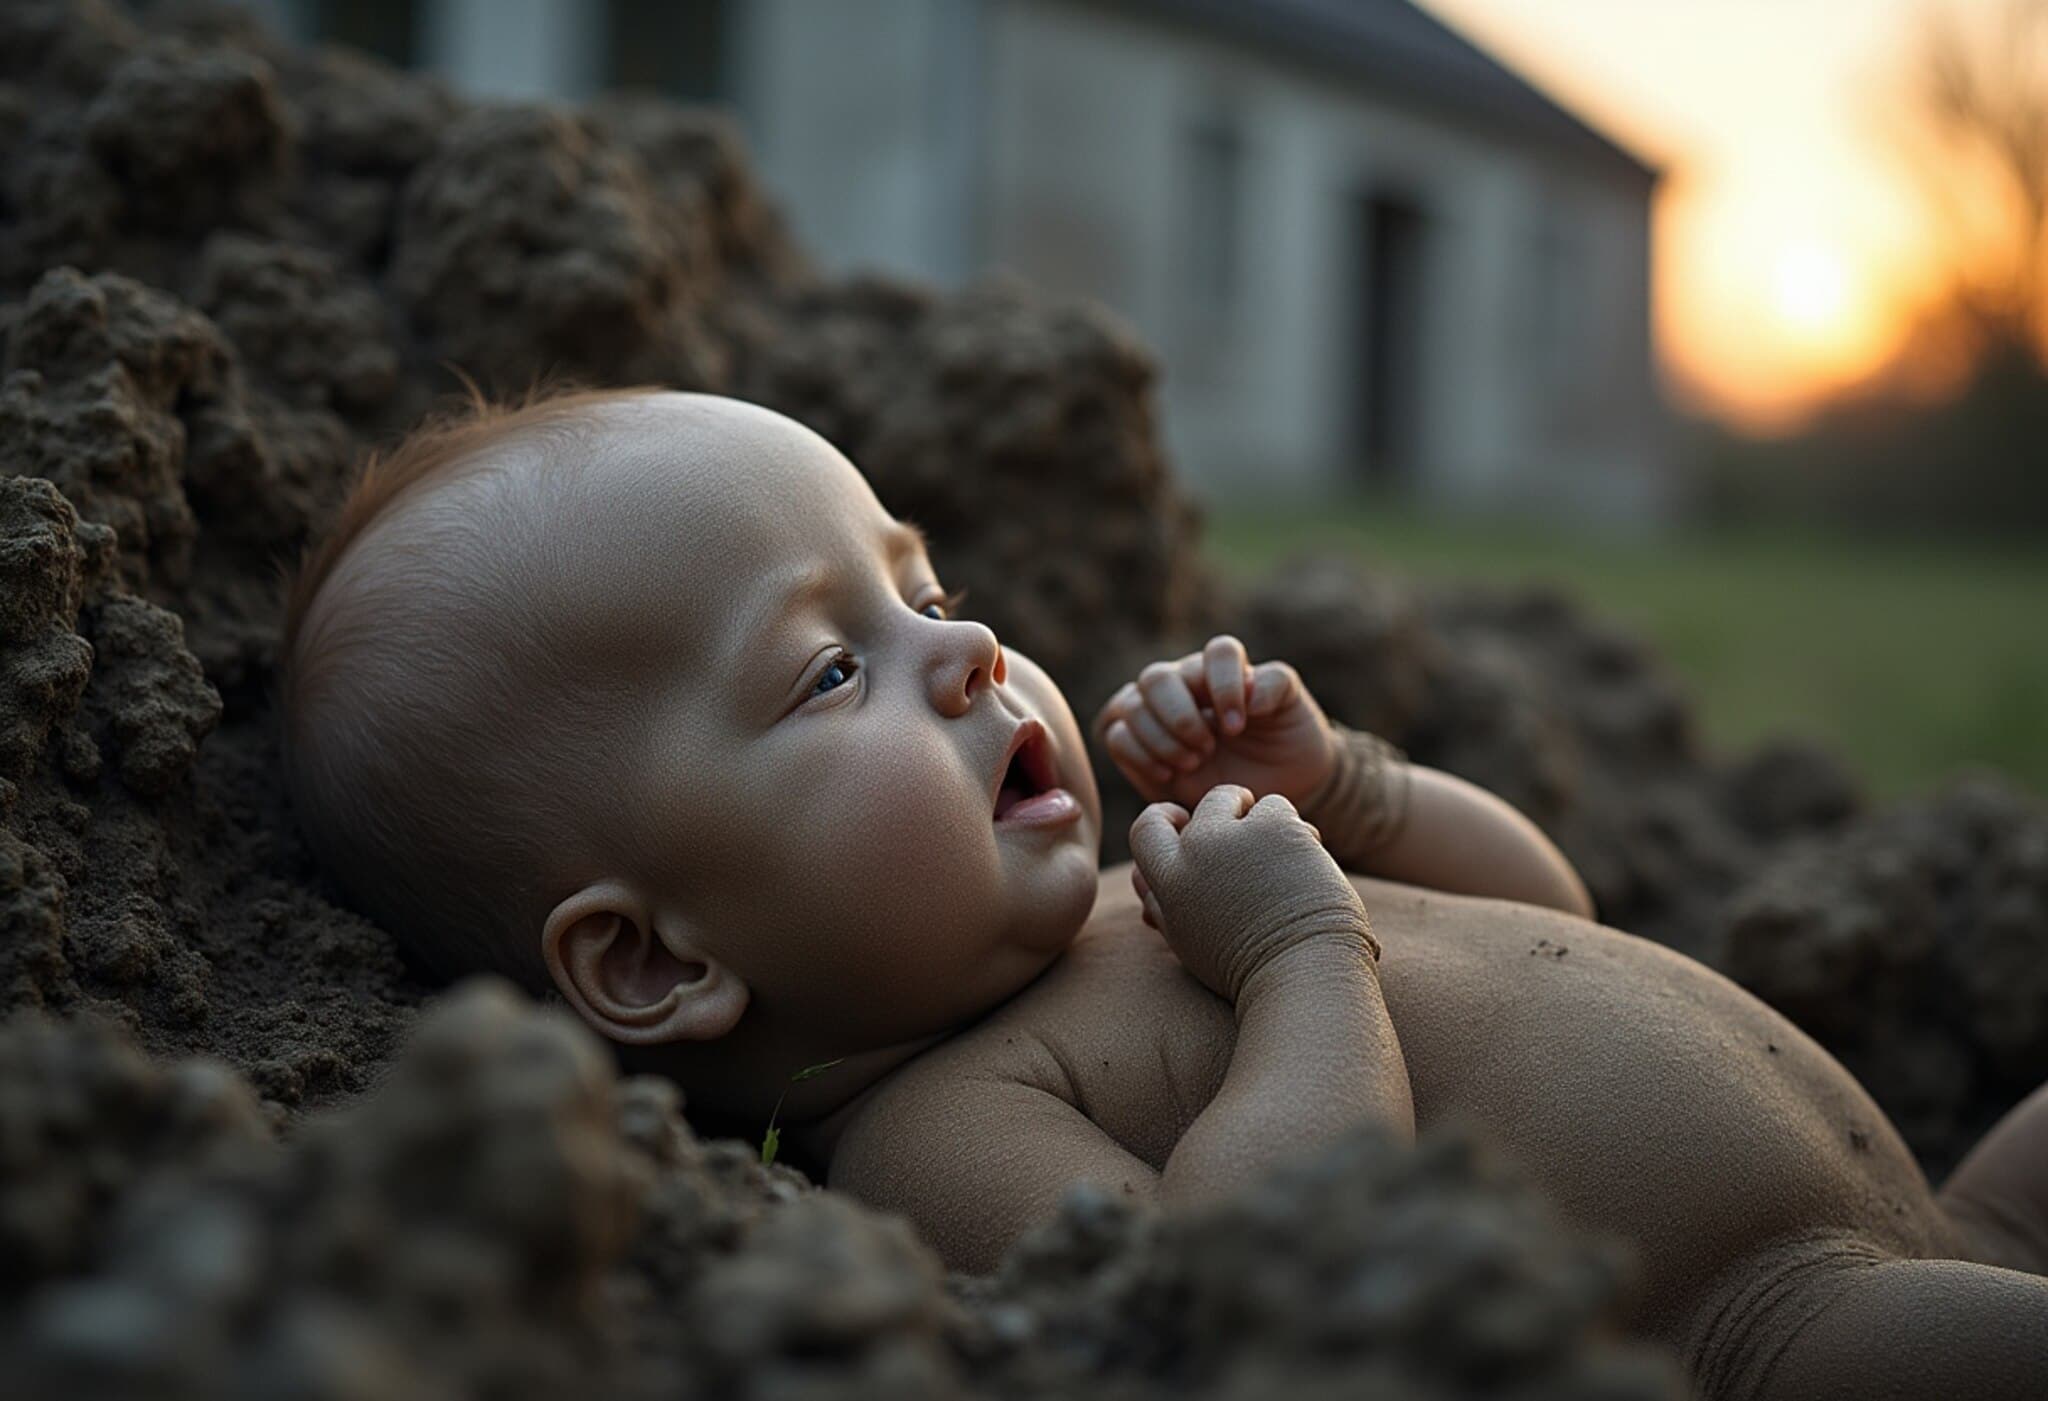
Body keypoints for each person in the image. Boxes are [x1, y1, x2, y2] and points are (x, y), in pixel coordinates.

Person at [281, 387, 2048, 1400]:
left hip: (1937, 1193)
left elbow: (1557, 912)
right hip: (1780, 1332)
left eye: (925, 587)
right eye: (833, 671)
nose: (970, 648)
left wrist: (1355, 794)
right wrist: (1298, 958)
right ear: (659, 959)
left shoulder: (1149, 891)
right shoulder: (941, 1129)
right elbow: (1251, 1284)